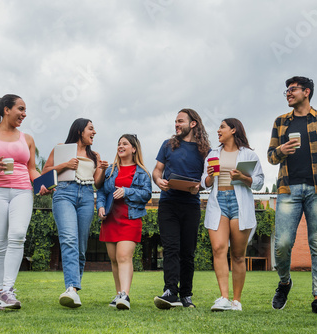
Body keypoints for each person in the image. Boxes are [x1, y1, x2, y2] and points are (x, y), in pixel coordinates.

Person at [267, 76, 317, 315]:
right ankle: (284, 282)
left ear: (307, 92)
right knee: (282, 243)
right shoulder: (281, 122)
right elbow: (271, 156)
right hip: (288, 190)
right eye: (286, 91)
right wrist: (280, 151)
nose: (288, 94)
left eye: (292, 90)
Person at [0, 94, 50, 311]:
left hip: (22, 191)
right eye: (21, 109)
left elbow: (31, 169)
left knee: (17, 236)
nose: (24, 114)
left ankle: (8, 290)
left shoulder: (27, 139)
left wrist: (41, 183)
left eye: (25, 111)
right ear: (7, 109)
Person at [42, 118, 108, 308]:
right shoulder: (61, 149)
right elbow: (44, 172)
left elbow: (97, 183)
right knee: (68, 239)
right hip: (64, 193)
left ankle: (74, 291)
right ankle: (70, 288)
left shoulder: (94, 155)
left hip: (87, 196)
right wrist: (65, 165)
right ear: (80, 130)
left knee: (80, 245)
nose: (94, 132)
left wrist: (101, 169)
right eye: (91, 128)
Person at [201, 118, 264, 311]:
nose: (218, 130)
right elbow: (205, 182)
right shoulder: (213, 154)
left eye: (222, 127)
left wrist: (243, 178)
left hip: (240, 204)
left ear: (233, 130)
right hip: (219, 201)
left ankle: (236, 301)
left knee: (237, 255)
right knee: (218, 248)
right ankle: (223, 298)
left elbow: (260, 182)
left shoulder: (249, 154)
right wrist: (210, 176)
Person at [152, 108, 211, 309]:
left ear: (193, 123)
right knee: (171, 249)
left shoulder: (205, 150)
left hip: (191, 205)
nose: (176, 125)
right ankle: (170, 292)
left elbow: (207, 180)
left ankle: (186, 295)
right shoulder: (168, 145)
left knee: (187, 252)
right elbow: (157, 171)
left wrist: (200, 186)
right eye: (175, 122)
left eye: (180, 121)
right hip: (168, 203)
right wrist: (159, 181)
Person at [96, 134, 152, 310]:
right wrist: (100, 207)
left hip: (130, 219)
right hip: (110, 219)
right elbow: (102, 192)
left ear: (134, 149)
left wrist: (127, 191)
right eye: (119, 144)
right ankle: (118, 294)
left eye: (125, 144)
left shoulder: (142, 172)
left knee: (124, 257)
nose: (120, 146)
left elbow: (147, 194)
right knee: (114, 260)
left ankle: (125, 295)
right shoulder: (110, 170)